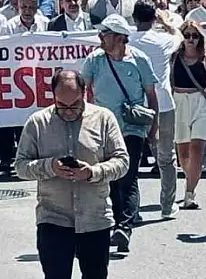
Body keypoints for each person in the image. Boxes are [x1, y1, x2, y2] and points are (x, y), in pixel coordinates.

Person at [14, 69, 129, 279]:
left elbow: (122, 162)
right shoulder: (37, 123)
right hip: (53, 218)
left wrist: (93, 172)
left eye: (75, 105)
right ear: (53, 97)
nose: (68, 112)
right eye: (62, 106)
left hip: (95, 218)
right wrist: (50, 167)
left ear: (85, 92)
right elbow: (20, 166)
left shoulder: (104, 118)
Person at [79, 15, 157, 254]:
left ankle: (124, 226)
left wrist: (153, 127)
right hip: (102, 129)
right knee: (110, 177)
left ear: (120, 37)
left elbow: (151, 94)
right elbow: (84, 91)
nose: (101, 38)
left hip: (132, 127)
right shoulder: (95, 59)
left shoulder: (139, 60)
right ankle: (116, 223)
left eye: (106, 34)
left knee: (128, 176)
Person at [129, 0, 181, 219]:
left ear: (134, 18)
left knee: (131, 157)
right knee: (166, 157)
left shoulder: (127, 40)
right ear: (153, 19)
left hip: (135, 105)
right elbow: (179, 35)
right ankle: (167, 206)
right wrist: (166, 23)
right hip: (164, 103)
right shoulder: (163, 39)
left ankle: (132, 209)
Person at [170, 19, 206, 203]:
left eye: (195, 36)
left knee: (196, 149)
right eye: (187, 35)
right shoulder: (174, 57)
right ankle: (190, 178)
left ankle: (189, 193)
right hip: (179, 102)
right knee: (183, 154)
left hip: (201, 101)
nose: (191, 39)